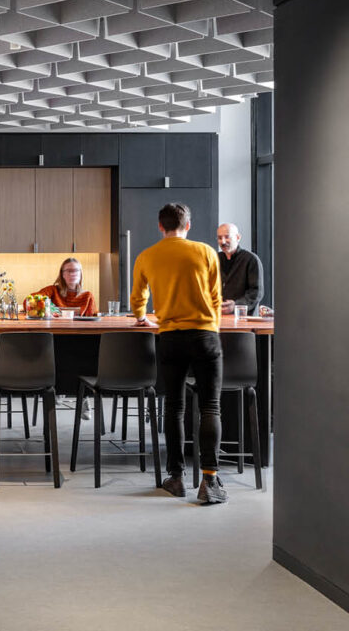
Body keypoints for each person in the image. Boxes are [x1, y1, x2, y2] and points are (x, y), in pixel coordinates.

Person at [131, 203, 227, 504]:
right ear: (188, 225)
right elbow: (216, 296)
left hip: (170, 336)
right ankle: (209, 480)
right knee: (210, 406)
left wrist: (142, 316)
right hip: (205, 335)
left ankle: (175, 477)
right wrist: (210, 326)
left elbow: (138, 299)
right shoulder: (206, 252)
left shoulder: (147, 255)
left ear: (161, 226)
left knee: (174, 407)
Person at [216, 223, 263, 314]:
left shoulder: (251, 259)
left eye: (227, 237)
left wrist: (236, 305)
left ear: (238, 237)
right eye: (219, 238)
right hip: (219, 317)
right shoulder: (215, 258)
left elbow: (256, 292)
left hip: (244, 318)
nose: (223, 241)